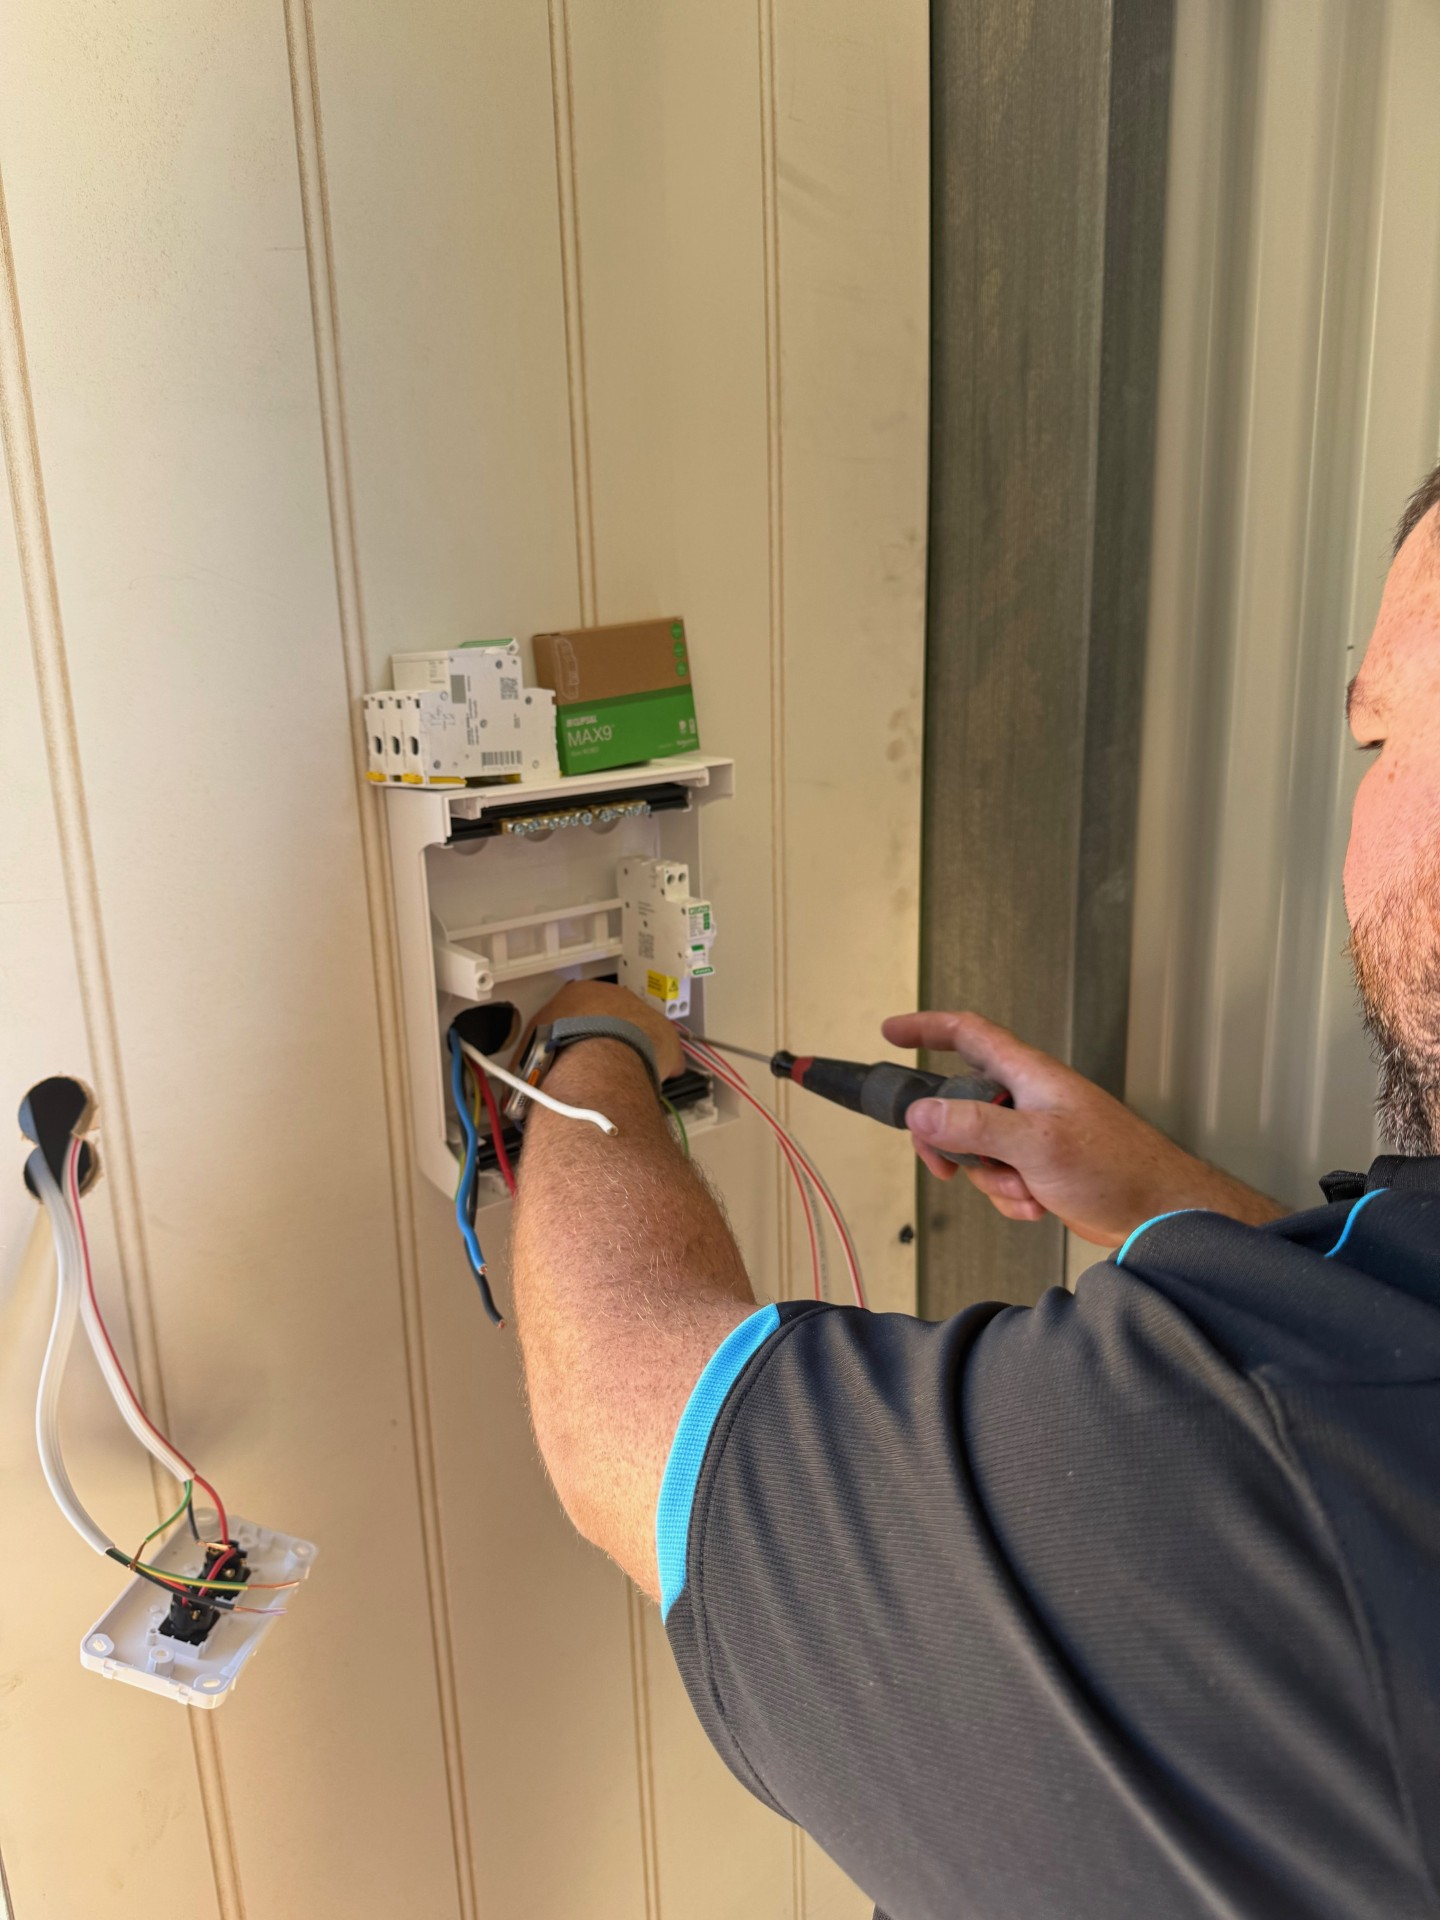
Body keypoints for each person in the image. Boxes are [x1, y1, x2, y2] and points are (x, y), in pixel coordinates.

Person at [508, 462, 1440, 1920]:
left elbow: (624, 1410)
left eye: (1379, 737)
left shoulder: (1200, 1486)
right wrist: (1152, 1191)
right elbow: (1373, 1348)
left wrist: (588, 1038)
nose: (1361, 807)